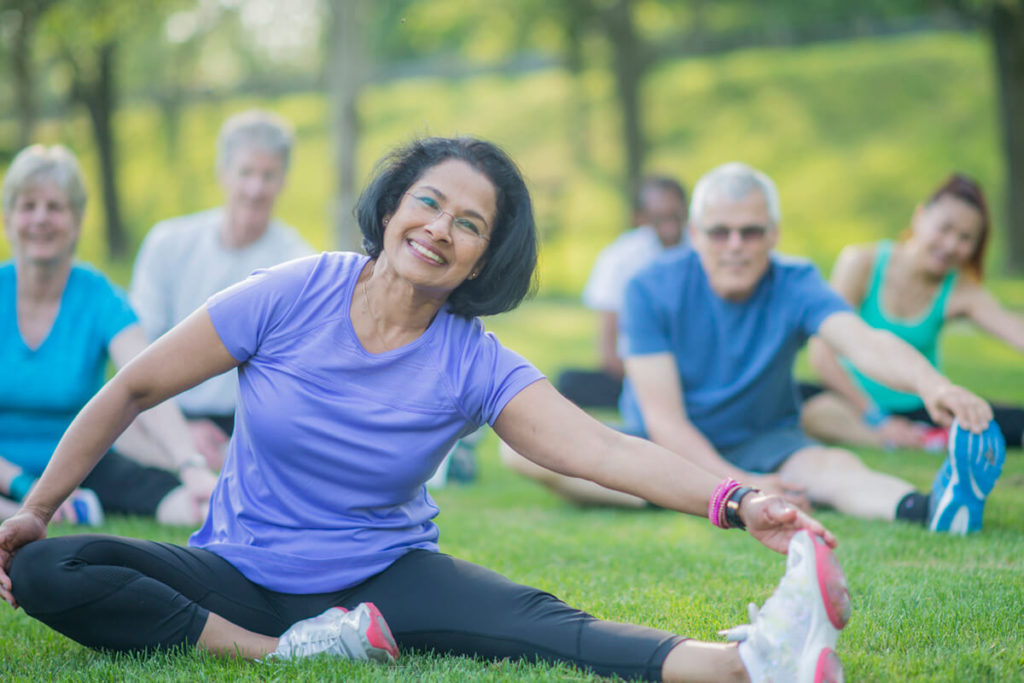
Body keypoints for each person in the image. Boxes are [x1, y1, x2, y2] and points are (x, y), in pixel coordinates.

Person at [2, 138, 851, 682]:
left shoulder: (473, 359)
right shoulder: (295, 291)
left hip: (385, 579)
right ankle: (284, 654)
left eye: (471, 224)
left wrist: (741, 502)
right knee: (49, 570)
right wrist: (36, 509)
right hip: (239, 572)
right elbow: (134, 387)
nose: (442, 228)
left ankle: (741, 666)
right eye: (431, 203)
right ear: (395, 205)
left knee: (544, 624)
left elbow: (602, 450)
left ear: (485, 257)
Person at [503, 162, 1005, 535]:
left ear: (773, 234)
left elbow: (864, 342)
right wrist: (741, 484)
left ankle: (930, 509)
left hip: (768, 440)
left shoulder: (796, 280)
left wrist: (933, 385)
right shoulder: (648, 288)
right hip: (657, 450)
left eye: (751, 231)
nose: (736, 244)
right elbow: (665, 421)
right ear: (696, 235)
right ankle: (681, 493)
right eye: (720, 232)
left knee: (835, 469)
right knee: (519, 454)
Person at [0, 144, 217, 526]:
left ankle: (54, 510)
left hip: (80, 466)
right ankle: (35, 512)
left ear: (77, 221)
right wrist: (22, 486)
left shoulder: (100, 298)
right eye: (28, 206)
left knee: (191, 505)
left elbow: (149, 377)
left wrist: (190, 465)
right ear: (8, 218)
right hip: (6, 473)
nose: (40, 219)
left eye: (55, 207)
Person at [129, 110, 314, 468]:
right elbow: (140, 351)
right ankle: (190, 468)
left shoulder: (298, 262)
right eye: (246, 173)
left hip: (250, 420)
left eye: (269, 175)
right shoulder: (168, 242)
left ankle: (209, 470)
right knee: (111, 420)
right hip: (167, 409)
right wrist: (180, 428)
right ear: (223, 173)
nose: (256, 189)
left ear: (284, 181)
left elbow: (292, 374)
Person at [800, 173, 1024, 451]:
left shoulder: (961, 291)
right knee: (807, 407)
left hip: (922, 406)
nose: (951, 245)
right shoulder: (862, 262)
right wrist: (876, 419)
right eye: (945, 229)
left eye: (965, 238)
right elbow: (821, 356)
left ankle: (916, 436)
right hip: (850, 402)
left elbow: (1014, 330)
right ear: (920, 217)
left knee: (1001, 421)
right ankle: (897, 438)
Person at [557, 176, 688, 408]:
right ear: (641, 218)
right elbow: (608, 348)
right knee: (568, 382)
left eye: (674, 214)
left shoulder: (706, 252)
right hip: (636, 370)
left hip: (692, 370)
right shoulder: (621, 258)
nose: (668, 223)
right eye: (659, 216)